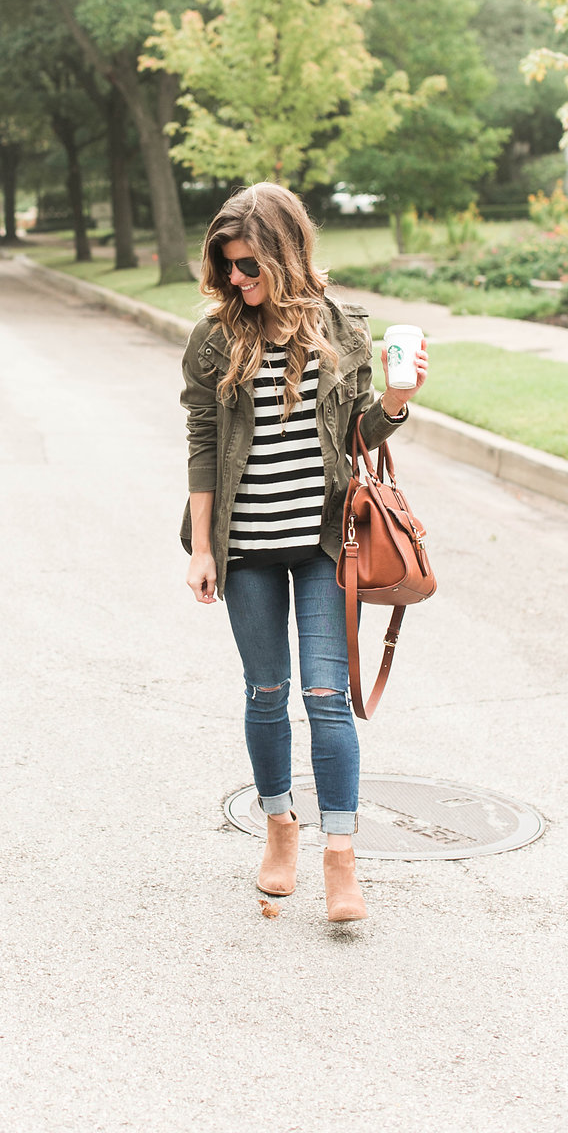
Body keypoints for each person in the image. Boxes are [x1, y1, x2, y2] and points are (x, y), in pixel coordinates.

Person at [180, 183, 428, 922]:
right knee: (266, 694)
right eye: (228, 267)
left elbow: (358, 435)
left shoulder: (341, 329)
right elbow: (200, 443)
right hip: (246, 549)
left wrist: (394, 401)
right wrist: (201, 546)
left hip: (326, 545)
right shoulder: (216, 338)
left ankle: (342, 859)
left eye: (250, 266)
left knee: (326, 698)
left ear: (288, 256)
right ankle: (280, 827)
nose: (237, 281)